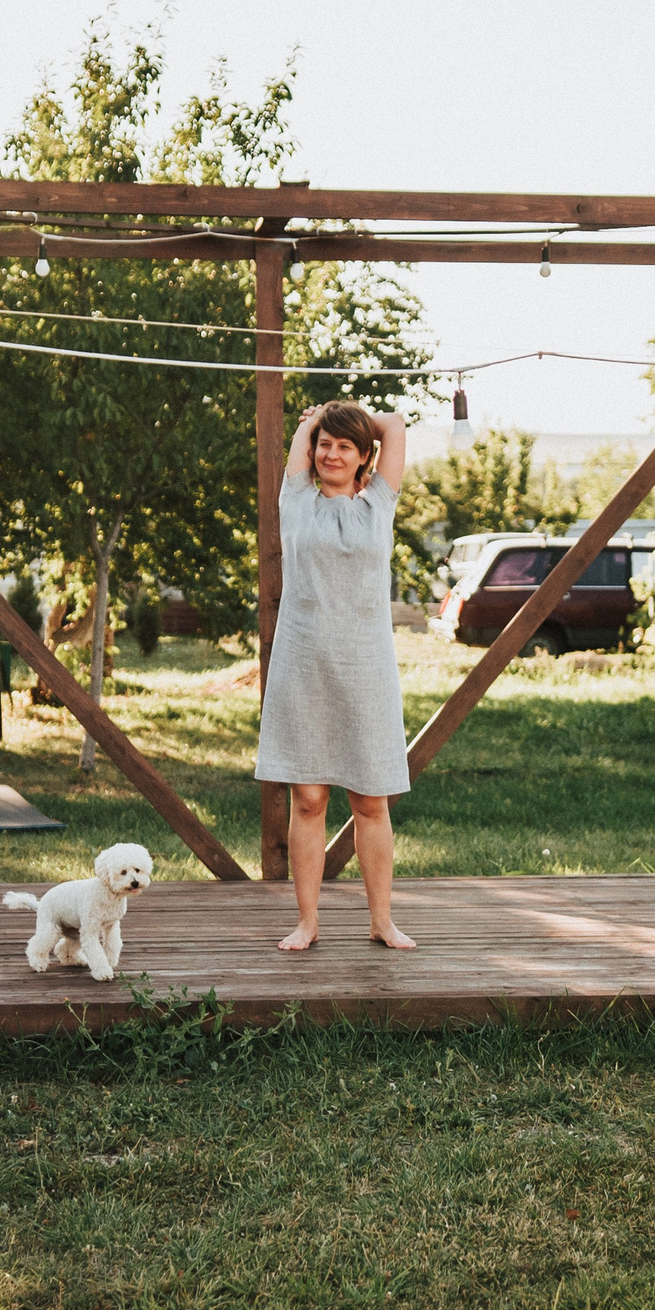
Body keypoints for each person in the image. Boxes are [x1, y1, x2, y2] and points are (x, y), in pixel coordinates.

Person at [256, 401, 417, 952]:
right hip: (304, 664)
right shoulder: (296, 498)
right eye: (325, 443)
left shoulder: (379, 504)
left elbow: (394, 425)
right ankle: (308, 922)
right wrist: (316, 419)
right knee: (308, 799)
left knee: (371, 801)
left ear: (364, 457)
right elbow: (309, 438)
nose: (331, 453)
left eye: (345, 446)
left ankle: (381, 921)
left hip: (366, 666)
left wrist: (344, 416)